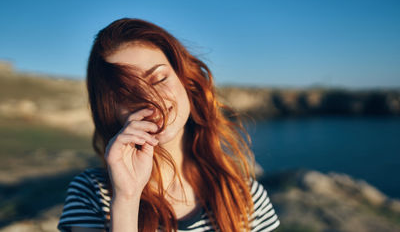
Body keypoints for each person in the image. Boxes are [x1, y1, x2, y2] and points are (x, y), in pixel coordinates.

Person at [57, 18, 280, 232]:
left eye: (159, 78)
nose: (150, 98)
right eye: (127, 92)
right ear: (109, 110)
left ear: (187, 83)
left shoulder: (244, 195)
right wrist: (126, 198)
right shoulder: (92, 193)